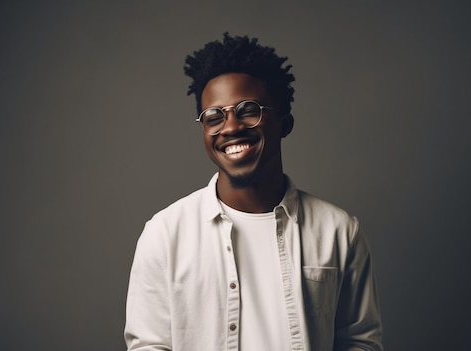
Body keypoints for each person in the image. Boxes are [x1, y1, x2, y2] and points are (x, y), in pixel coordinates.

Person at [124, 33, 383, 351]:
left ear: (284, 123)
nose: (230, 127)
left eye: (248, 110)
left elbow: (360, 342)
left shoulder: (339, 232)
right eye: (214, 117)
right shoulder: (164, 235)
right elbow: (149, 346)